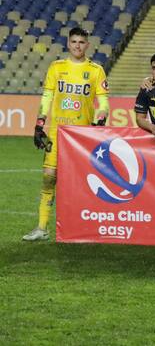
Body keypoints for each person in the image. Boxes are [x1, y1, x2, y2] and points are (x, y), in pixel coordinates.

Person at [24, 27, 109, 241]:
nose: (77, 46)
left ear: (87, 45)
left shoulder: (96, 70)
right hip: (57, 132)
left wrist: (100, 119)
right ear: (68, 43)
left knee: (81, 183)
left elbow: (103, 102)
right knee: (48, 176)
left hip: (81, 136)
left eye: (81, 42)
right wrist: (39, 124)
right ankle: (42, 228)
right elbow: (47, 97)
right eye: (74, 42)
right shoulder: (56, 67)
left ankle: (83, 228)